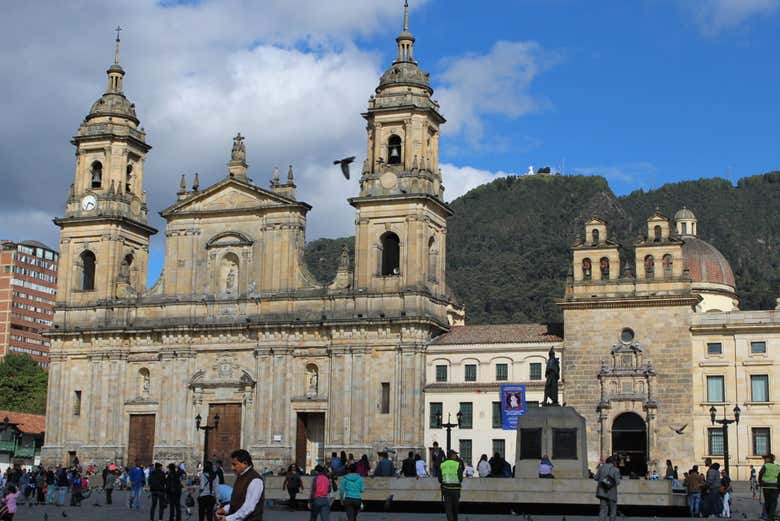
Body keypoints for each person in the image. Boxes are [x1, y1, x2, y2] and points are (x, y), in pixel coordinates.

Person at [216, 449, 265, 521]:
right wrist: (224, 510)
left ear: (245, 463)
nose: (232, 468)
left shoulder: (255, 480)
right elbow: (237, 502)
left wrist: (228, 519)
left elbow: (248, 507)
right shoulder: (241, 477)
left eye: (235, 464)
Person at [439, 450, 464, 521]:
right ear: (452, 456)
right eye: (455, 455)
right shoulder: (457, 464)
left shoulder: (442, 464)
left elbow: (440, 479)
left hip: (446, 489)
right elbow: (460, 478)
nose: (456, 456)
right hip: (456, 489)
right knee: (455, 508)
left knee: (448, 508)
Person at [595, 455, 621, 521]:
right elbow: (617, 482)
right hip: (611, 493)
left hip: (602, 491)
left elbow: (596, 478)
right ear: (614, 462)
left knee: (603, 510)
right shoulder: (615, 469)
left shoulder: (601, 468)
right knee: (613, 510)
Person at [759, 453, 780, 521]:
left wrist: (760, 483)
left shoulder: (765, 466)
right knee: (773, 502)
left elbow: (760, 474)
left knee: (767, 501)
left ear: (770, 459)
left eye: (766, 458)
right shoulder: (778, 467)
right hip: (775, 487)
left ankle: (768, 516)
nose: (764, 460)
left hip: (766, 487)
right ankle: (771, 517)